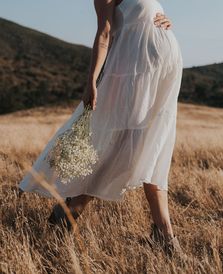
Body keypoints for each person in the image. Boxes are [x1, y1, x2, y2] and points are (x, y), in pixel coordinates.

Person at [19, 0, 184, 259]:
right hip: (132, 72)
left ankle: (160, 235)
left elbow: (142, 16)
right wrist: (92, 82)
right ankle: (75, 210)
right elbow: (105, 34)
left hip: (163, 73)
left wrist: (163, 21)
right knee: (120, 149)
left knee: (155, 146)